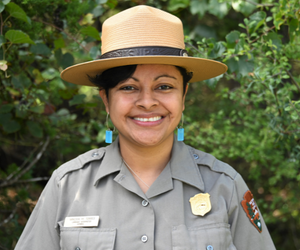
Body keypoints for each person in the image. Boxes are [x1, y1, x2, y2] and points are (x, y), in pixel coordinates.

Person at [15, 5, 276, 250]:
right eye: (128, 87)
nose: (148, 102)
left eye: (164, 87)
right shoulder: (68, 186)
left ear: (183, 96)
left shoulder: (224, 186)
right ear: (106, 99)